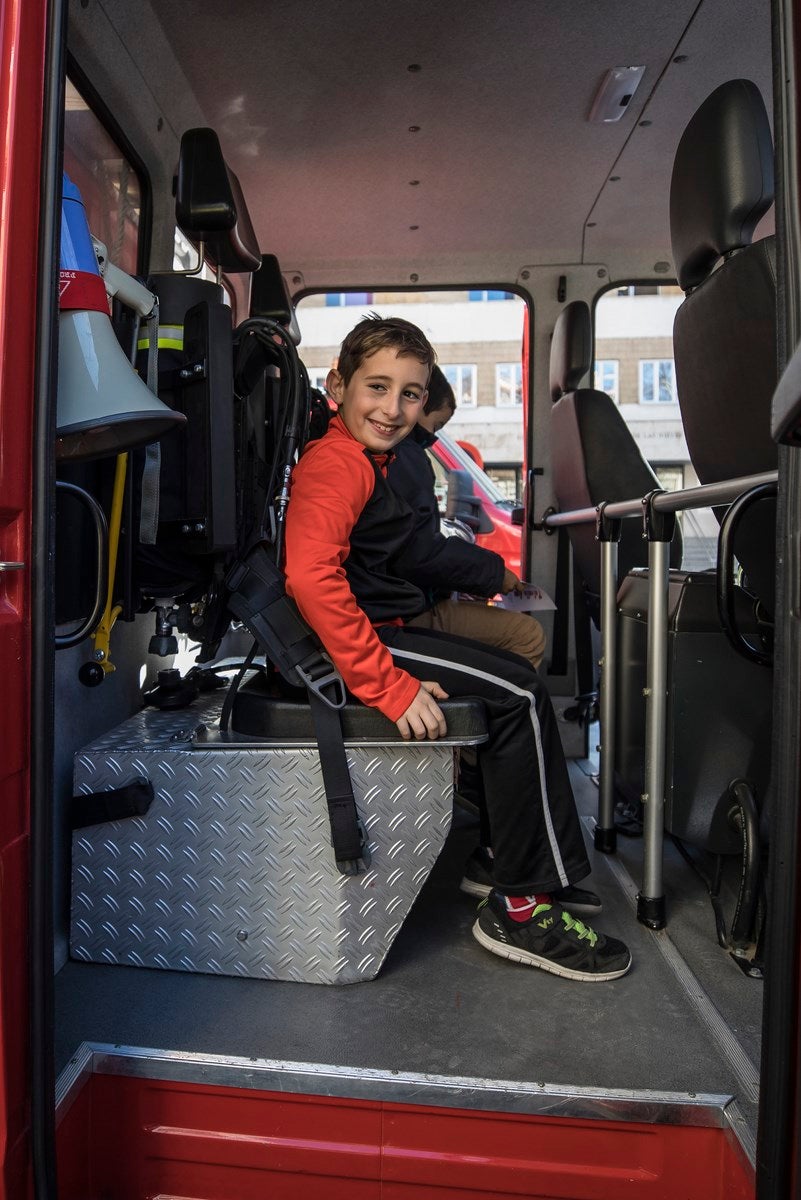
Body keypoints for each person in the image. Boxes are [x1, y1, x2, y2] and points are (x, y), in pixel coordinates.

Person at [284, 315, 631, 983]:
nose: (392, 409)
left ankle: (522, 870)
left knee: (516, 685)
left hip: (383, 629)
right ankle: (518, 905)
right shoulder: (336, 464)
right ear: (337, 385)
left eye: (409, 394)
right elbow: (308, 575)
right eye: (376, 388)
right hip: (363, 643)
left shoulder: (376, 460)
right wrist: (384, 684)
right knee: (519, 695)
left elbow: (400, 553)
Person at [389, 365, 546, 671]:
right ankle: (497, 712)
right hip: (405, 611)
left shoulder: (396, 454)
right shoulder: (406, 456)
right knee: (528, 635)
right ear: (421, 404)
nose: (433, 437)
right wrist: (494, 574)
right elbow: (419, 554)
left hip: (408, 600)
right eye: (437, 425)